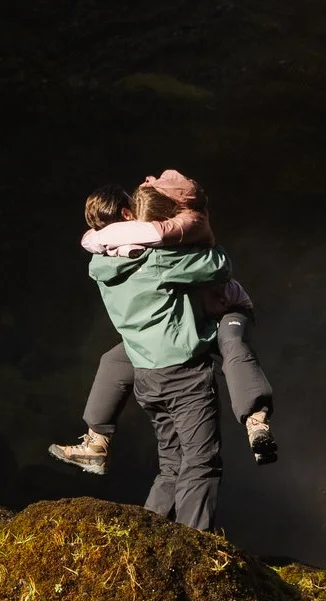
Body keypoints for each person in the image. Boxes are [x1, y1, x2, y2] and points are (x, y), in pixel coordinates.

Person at [49, 171, 276, 476]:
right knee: (117, 358)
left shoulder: (181, 223)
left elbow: (206, 259)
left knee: (232, 344)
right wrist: (110, 242)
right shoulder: (144, 228)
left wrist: (109, 241)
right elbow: (100, 238)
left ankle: (255, 422)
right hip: (186, 318)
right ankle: (96, 442)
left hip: (224, 308)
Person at [69, 178, 237, 532]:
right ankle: (196, 544)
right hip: (185, 374)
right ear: (130, 217)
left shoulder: (100, 266)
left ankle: (148, 534)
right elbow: (218, 265)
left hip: (146, 376)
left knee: (172, 464)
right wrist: (193, 224)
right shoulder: (158, 260)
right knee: (201, 462)